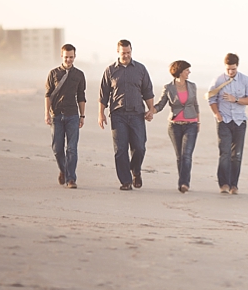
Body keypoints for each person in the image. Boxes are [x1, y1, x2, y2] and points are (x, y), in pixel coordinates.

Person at [98, 39, 155, 191]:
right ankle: (125, 181)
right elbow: (103, 95)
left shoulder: (140, 69)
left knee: (140, 147)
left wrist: (151, 110)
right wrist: (101, 114)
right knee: (120, 149)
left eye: (128, 53)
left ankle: (136, 170)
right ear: (118, 52)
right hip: (118, 114)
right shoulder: (110, 71)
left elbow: (148, 91)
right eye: (123, 53)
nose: (126, 55)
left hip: (137, 114)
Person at [207, 53, 248, 194]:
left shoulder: (245, 80)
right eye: (228, 69)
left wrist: (235, 99)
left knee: (237, 155)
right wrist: (217, 114)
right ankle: (224, 184)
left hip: (240, 121)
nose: (230, 72)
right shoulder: (218, 80)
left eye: (233, 69)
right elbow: (211, 99)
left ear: (237, 67)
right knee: (225, 153)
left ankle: (234, 185)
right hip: (224, 120)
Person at [154, 60, 200, 193]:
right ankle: (183, 181)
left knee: (187, 155)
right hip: (174, 126)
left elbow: (195, 105)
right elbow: (161, 104)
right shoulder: (169, 88)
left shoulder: (192, 86)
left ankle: (184, 183)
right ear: (180, 72)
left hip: (191, 124)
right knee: (179, 156)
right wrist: (152, 111)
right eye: (187, 70)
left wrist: (198, 121)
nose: (189, 72)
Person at [45, 43, 87, 189]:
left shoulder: (79, 75)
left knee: (72, 148)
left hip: (73, 115)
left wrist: (82, 116)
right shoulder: (53, 73)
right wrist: (47, 114)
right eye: (66, 57)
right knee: (57, 149)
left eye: (71, 57)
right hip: (56, 115)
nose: (68, 60)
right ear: (61, 56)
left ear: (74, 57)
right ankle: (63, 170)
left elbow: (81, 96)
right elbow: (48, 95)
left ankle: (71, 179)